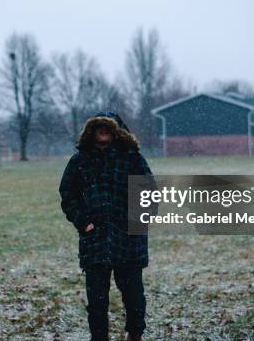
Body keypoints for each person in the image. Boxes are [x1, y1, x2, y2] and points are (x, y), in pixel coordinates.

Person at [59, 111, 155, 341]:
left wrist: (136, 224)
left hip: (129, 239)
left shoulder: (132, 158)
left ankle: (135, 335)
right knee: (97, 300)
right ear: (92, 131)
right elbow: (67, 193)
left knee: (134, 296)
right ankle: (99, 337)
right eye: (98, 127)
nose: (103, 131)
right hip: (95, 238)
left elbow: (149, 194)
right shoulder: (80, 159)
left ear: (116, 131)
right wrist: (83, 222)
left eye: (107, 127)